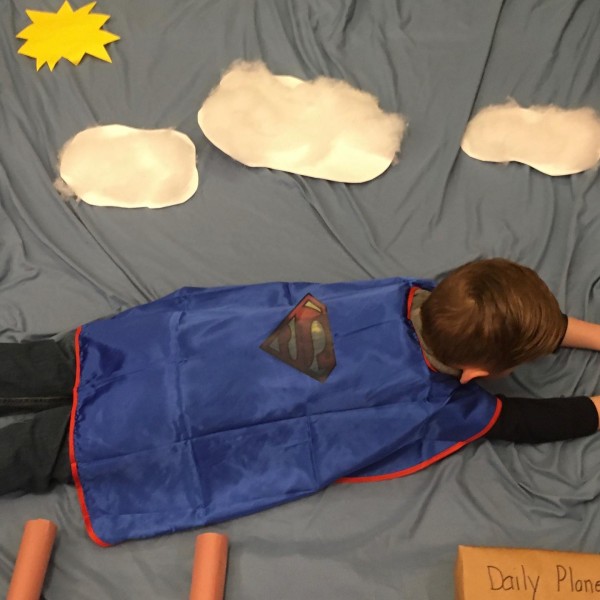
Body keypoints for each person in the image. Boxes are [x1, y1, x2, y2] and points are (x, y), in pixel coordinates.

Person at [1, 258, 599, 545]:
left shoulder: (416, 295)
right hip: (143, 432)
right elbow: (524, 419)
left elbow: (496, 307)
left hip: (151, 350)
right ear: (476, 374)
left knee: (45, 367)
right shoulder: (434, 403)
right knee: (42, 448)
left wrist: (591, 334)